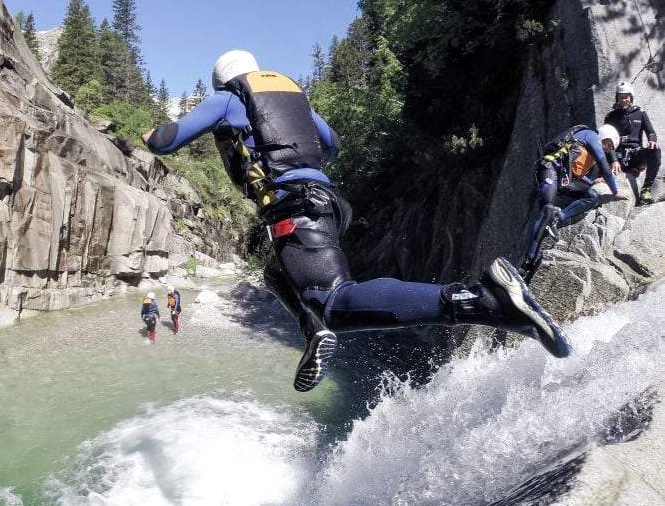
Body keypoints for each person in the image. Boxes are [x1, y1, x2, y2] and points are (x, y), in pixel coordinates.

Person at [141, 50, 571, 391]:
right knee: (276, 272)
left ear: (223, 78)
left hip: (295, 206)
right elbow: (333, 145)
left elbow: (165, 141)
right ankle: (315, 333)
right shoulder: (290, 98)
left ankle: (482, 300)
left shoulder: (230, 98)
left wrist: (148, 136)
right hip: (324, 200)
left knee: (334, 301)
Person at [520, 123, 627, 280]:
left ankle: (559, 218)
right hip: (550, 169)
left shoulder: (591, 151)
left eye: (611, 148)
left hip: (565, 180)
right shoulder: (591, 136)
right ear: (603, 136)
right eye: (608, 144)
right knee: (546, 211)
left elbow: (577, 173)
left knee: (592, 196)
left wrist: (593, 183)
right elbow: (605, 166)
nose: (608, 149)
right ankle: (527, 263)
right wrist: (615, 191)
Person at [604, 81, 660, 204]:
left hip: (635, 155)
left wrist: (652, 140)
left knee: (656, 151)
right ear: (617, 98)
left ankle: (646, 189)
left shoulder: (640, 113)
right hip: (618, 156)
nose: (624, 100)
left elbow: (651, 132)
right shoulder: (611, 116)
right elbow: (607, 141)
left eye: (626, 97)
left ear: (631, 97)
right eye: (621, 97)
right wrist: (613, 160)